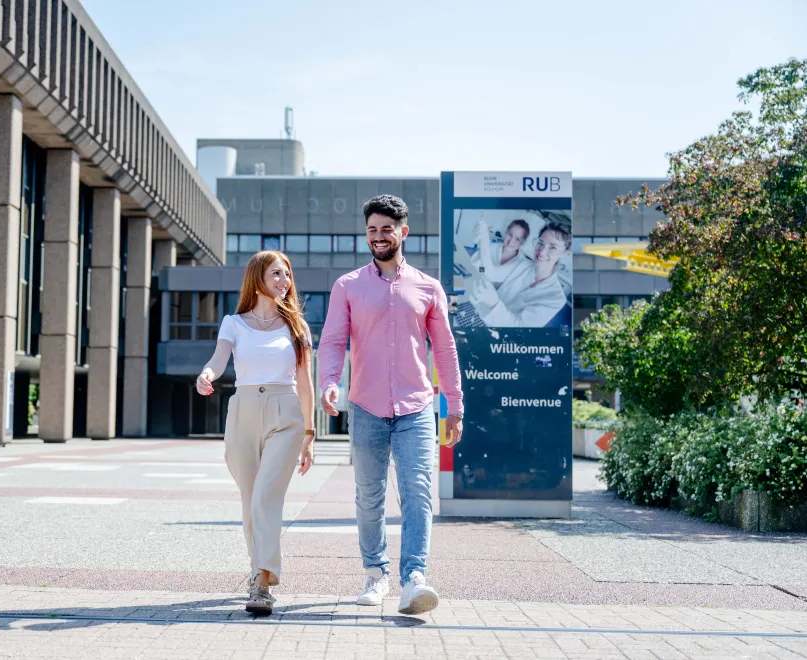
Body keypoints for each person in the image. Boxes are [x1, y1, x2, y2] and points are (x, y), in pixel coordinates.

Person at [318, 194, 464, 615]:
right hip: (365, 406)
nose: (378, 236)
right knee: (369, 496)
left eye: (386, 229)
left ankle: (414, 578)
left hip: (417, 407)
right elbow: (332, 341)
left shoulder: (428, 287)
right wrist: (330, 382)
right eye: (372, 230)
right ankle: (375, 573)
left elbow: (446, 350)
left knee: (418, 492)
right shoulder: (347, 286)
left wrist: (454, 405)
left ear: (404, 232)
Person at [196, 250, 316, 616]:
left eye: (287, 275)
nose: (285, 281)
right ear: (257, 279)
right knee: (251, 502)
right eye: (276, 274)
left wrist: (309, 433)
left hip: (286, 413)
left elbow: (304, 382)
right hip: (244, 411)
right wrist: (206, 375)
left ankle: (263, 582)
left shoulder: (297, 326)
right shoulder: (234, 323)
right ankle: (255, 572)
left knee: (265, 496)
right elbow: (219, 359)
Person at [470, 221, 572, 328]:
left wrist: (494, 302)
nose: (542, 252)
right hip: (483, 314)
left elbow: (520, 328)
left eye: (553, 247)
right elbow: (492, 274)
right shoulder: (523, 264)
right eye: (540, 243)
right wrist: (484, 242)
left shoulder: (556, 298)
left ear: (565, 253)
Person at [471, 218, 531, 285]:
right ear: (505, 232)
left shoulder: (520, 263)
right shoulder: (493, 247)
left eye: (517, 239)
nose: (511, 241)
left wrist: (484, 242)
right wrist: (483, 271)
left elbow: (494, 275)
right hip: (478, 283)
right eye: (510, 235)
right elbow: (476, 264)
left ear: (522, 243)